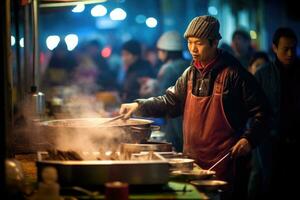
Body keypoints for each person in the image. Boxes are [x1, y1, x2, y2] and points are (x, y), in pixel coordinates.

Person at [119, 16, 269, 200]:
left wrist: (249, 139)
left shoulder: (235, 74)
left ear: (214, 43)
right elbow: (170, 100)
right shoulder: (190, 74)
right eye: (190, 43)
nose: (193, 49)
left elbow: (264, 112)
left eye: (198, 43)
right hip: (192, 164)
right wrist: (138, 105)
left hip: (225, 165)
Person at [254, 27, 300, 199]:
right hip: (271, 144)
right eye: (285, 49)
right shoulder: (263, 74)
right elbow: (255, 110)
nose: (289, 53)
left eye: (293, 49)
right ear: (274, 48)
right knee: (271, 187)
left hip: (295, 142)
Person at [140, 31, 190, 151]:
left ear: (166, 52)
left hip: (175, 121)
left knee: (176, 149)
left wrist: (148, 94)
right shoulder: (187, 64)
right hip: (188, 116)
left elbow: (163, 98)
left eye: (160, 51)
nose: (158, 54)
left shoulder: (168, 68)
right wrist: (155, 83)